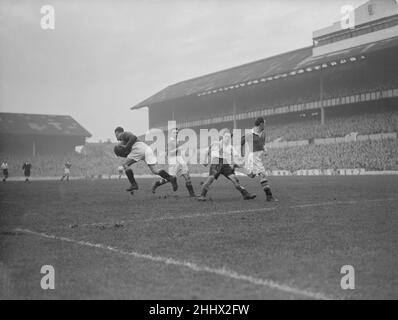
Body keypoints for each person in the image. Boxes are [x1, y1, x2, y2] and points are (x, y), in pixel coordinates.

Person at [197, 129, 256, 201]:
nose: (228, 138)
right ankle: (202, 195)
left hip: (225, 164)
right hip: (216, 162)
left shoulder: (231, 147)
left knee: (235, 180)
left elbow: (237, 158)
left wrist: (240, 167)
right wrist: (205, 161)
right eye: (226, 136)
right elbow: (207, 151)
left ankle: (245, 194)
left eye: (229, 137)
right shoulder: (215, 143)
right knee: (211, 179)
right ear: (222, 136)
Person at [114, 126, 178, 193]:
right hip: (146, 149)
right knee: (155, 171)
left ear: (117, 133)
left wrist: (126, 147)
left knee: (124, 165)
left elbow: (134, 137)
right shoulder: (124, 141)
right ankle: (171, 178)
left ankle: (134, 184)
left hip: (139, 149)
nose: (116, 138)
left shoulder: (122, 134)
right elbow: (127, 150)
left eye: (116, 135)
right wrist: (124, 149)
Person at [241, 117, 277, 202]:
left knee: (252, 175)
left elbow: (263, 143)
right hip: (253, 157)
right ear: (261, 124)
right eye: (264, 123)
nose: (265, 124)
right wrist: (242, 153)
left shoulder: (263, 133)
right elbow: (241, 142)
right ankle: (269, 196)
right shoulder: (250, 133)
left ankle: (240, 167)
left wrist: (265, 149)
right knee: (263, 174)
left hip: (258, 157)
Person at [151, 128, 195, 197]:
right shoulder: (170, 141)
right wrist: (178, 149)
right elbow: (169, 153)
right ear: (171, 134)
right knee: (170, 178)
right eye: (174, 132)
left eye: (177, 132)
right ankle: (157, 183)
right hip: (173, 161)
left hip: (181, 160)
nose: (176, 134)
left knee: (187, 177)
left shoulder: (176, 140)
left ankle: (192, 195)